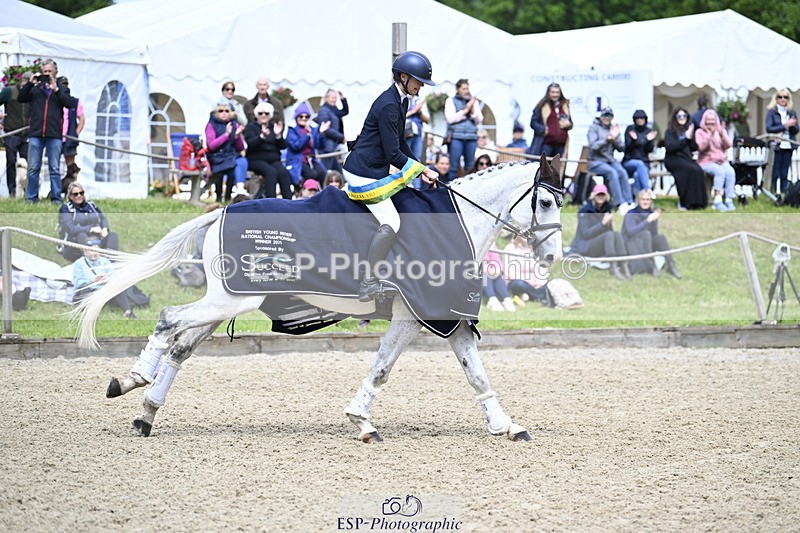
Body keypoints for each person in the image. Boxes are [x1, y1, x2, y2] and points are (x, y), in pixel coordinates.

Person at [342, 50, 438, 302]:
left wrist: (421, 166)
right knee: (392, 222)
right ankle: (368, 283)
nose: (421, 86)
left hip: (374, 168)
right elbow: (394, 154)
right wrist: (423, 170)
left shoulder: (402, 101)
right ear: (403, 77)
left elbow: (400, 143)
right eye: (419, 81)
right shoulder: (388, 105)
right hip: (362, 173)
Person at [17, 59, 74, 204]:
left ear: (55, 72)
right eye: (45, 72)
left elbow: (70, 103)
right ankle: (31, 198)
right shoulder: (36, 89)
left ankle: (56, 198)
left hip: (54, 134)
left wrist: (56, 89)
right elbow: (21, 98)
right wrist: (31, 82)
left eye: (50, 71)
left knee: (54, 168)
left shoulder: (61, 89)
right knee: (33, 167)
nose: (47, 74)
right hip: (36, 133)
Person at [568, 183, 631, 280]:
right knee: (609, 235)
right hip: (586, 246)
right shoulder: (584, 211)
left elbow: (609, 233)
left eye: (603, 195)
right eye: (598, 194)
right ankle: (613, 266)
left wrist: (608, 224)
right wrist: (602, 223)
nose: (600, 197)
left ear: (606, 196)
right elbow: (586, 234)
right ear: (593, 195)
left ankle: (624, 265)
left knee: (616, 234)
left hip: (600, 243)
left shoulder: (607, 208)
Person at [622, 190, 682, 279]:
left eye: (648, 200)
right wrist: (647, 221)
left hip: (646, 243)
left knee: (660, 238)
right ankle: (651, 265)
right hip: (632, 244)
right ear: (638, 200)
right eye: (643, 199)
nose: (645, 202)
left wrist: (654, 221)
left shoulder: (651, 214)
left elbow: (654, 234)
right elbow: (631, 232)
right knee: (646, 234)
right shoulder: (631, 213)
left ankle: (671, 265)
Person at [58, 182, 120, 262]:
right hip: (76, 244)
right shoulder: (66, 208)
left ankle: (110, 261)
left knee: (113, 236)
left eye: (81, 193)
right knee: (81, 235)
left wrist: (105, 228)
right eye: (75, 194)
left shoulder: (91, 205)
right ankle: (94, 260)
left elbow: (103, 218)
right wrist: (90, 229)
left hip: (97, 241)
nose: (79, 196)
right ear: (70, 196)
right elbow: (71, 228)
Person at [72, 241, 135, 319]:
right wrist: (92, 281)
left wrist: (106, 279)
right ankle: (91, 314)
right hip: (89, 291)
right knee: (85, 291)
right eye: (92, 250)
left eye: (97, 250)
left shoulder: (104, 261)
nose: (95, 253)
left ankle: (127, 311)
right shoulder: (79, 263)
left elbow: (113, 276)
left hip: (103, 291)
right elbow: (78, 283)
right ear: (85, 251)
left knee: (117, 288)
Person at [587, 107, 634, 212]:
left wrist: (615, 139)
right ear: (601, 116)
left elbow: (622, 148)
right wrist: (607, 139)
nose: (607, 118)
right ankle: (620, 203)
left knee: (622, 172)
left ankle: (629, 202)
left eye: (609, 116)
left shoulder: (613, 129)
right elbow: (593, 146)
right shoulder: (593, 128)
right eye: (605, 115)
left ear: (612, 117)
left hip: (610, 161)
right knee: (612, 173)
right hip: (595, 161)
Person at [244, 102, 292, 199]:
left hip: (273, 159)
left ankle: (289, 202)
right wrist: (261, 137)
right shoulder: (251, 127)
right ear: (256, 115)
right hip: (256, 159)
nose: (263, 115)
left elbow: (283, 146)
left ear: (270, 115)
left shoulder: (274, 127)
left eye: (266, 113)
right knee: (271, 172)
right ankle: (271, 202)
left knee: (283, 173)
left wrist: (278, 136)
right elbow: (249, 145)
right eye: (260, 113)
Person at [663, 107, 708, 210]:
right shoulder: (670, 131)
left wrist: (691, 137)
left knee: (698, 170)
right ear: (675, 118)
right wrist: (685, 139)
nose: (682, 118)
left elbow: (693, 148)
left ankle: (699, 203)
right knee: (689, 170)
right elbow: (671, 148)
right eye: (679, 116)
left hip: (686, 159)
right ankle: (685, 202)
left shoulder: (688, 130)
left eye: (684, 116)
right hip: (673, 159)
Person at [0, 70, 32, 198]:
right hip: (11, 133)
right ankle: (12, 193)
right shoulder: (9, 91)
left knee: (29, 165)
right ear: (22, 81)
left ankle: (27, 193)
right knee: (11, 163)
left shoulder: (32, 94)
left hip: (27, 133)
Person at [696, 109, 736, 211]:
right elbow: (701, 147)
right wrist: (709, 134)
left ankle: (728, 199)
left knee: (730, 172)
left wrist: (722, 133)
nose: (710, 122)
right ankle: (717, 200)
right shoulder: (700, 132)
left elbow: (728, 145)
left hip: (721, 161)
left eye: (713, 119)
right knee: (720, 171)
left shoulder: (720, 131)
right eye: (708, 120)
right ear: (704, 120)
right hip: (706, 162)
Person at [205, 103, 246, 202]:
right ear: (215, 113)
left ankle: (230, 196)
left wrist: (237, 136)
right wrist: (226, 135)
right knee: (224, 167)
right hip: (216, 157)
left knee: (240, 162)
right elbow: (212, 145)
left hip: (230, 156)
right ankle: (218, 198)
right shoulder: (211, 125)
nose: (224, 113)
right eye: (221, 111)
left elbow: (241, 148)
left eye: (227, 111)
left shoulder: (234, 125)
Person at [444, 78, 483, 183]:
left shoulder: (473, 102)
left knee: (470, 167)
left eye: (467, 88)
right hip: (456, 137)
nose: (466, 91)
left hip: (471, 138)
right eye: (464, 88)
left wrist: (473, 110)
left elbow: (479, 120)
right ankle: (450, 189)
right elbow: (450, 119)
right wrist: (465, 110)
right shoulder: (450, 101)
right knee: (454, 166)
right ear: (458, 89)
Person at [284, 102, 327, 187]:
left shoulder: (313, 129)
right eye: (301, 116)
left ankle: (322, 196)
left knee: (322, 173)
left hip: (311, 159)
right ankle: (306, 194)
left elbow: (320, 146)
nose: (304, 118)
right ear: (296, 117)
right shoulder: (292, 130)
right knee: (312, 175)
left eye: (306, 116)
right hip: (297, 160)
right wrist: (307, 135)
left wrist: (321, 133)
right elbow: (296, 146)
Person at [765, 89, 798, 195]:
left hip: (788, 145)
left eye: (785, 97)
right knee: (775, 172)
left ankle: (784, 194)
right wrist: (785, 125)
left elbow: (796, 130)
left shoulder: (792, 112)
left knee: (785, 172)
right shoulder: (772, 111)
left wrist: (792, 125)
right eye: (780, 97)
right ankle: (772, 193)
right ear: (776, 98)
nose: (783, 99)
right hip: (777, 145)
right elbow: (769, 128)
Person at [527, 82, 572, 158]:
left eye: (557, 92)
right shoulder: (541, 105)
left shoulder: (564, 106)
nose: (555, 95)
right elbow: (533, 123)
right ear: (548, 93)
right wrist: (544, 130)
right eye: (553, 92)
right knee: (544, 167)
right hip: (546, 144)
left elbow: (570, 122)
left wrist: (569, 124)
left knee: (557, 167)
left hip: (561, 144)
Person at [503, 234, 550, 305]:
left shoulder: (538, 249)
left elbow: (542, 269)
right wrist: (530, 281)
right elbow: (510, 272)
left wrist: (539, 282)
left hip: (537, 283)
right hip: (517, 281)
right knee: (519, 284)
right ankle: (542, 298)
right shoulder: (511, 248)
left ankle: (530, 296)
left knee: (549, 285)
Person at [622, 109, 657, 197]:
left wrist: (648, 141)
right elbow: (628, 147)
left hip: (644, 162)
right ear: (634, 120)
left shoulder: (648, 131)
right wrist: (643, 140)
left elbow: (649, 149)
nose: (640, 120)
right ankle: (647, 190)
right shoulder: (630, 129)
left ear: (645, 119)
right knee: (639, 164)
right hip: (629, 162)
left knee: (637, 175)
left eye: (642, 118)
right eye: (637, 118)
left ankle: (638, 199)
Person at [316, 89, 349, 172]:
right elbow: (326, 129)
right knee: (326, 171)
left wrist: (343, 99)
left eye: (336, 98)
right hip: (327, 146)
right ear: (326, 98)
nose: (335, 100)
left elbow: (345, 112)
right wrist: (341, 137)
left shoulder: (333, 109)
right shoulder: (324, 110)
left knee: (337, 171)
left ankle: (342, 182)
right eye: (333, 98)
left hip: (333, 146)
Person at [58, 76, 85, 179]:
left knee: (71, 166)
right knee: (54, 165)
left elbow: (82, 119)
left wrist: (76, 133)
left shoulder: (75, 102)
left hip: (70, 137)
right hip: (56, 136)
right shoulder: (55, 100)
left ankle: (72, 187)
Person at [482, 248, 516, 312]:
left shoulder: (492, 247)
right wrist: (488, 270)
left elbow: (497, 261)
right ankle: (492, 300)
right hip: (479, 276)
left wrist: (497, 269)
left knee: (497, 276)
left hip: (492, 273)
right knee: (486, 275)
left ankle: (507, 299)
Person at [405, 93, 429, 161]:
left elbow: (428, 120)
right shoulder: (402, 98)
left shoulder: (419, 100)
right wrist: (414, 111)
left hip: (418, 133)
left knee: (417, 159)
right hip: (405, 133)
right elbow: (399, 117)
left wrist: (419, 112)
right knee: (405, 158)